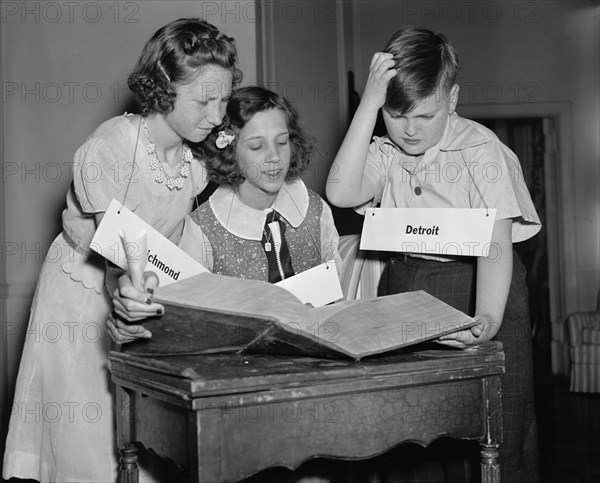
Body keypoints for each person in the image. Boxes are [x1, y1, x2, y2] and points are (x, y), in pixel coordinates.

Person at [3, 17, 240, 482]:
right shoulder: (113, 146)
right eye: (204, 100)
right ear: (165, 86)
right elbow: (114, 256)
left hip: (138, 291)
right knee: (89, 447)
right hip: (83, 297)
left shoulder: (194, 162)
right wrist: (129, 297)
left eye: (225, 99)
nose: (217, 116)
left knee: (141, 442)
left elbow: (165, 247)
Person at [326, 26, 541, 482]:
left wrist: (486, 320)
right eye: (395, 114)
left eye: (425, 115)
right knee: (414, 433)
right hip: (408, 285)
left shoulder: (481, 149)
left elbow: (497, 244)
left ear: (454, 98)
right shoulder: (387, 152)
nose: (409, 129)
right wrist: (368, 103)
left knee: (494, 433)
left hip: (480, 288)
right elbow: (341, 191)